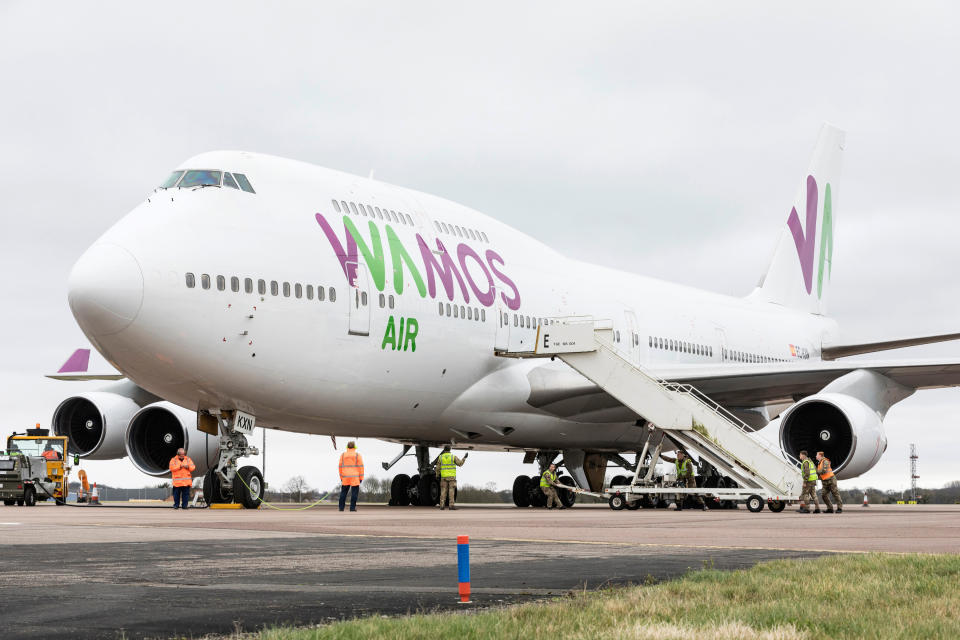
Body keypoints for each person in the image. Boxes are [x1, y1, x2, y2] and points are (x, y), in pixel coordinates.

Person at [435, 445, 467, 510]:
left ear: (444, 449)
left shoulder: (440, 457)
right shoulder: (453, 457)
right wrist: (464, 458)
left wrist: (437, 475)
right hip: (451, 477)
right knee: (451, 491)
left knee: (443, 491)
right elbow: (460, 464)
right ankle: (451, 505)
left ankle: (442, 505)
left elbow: (438, 468)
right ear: (450, 449)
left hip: (443, 477)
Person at [338, 441, 364, 512]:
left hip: (345, 476)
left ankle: (341, 508)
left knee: (343, 492)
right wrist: (361, 478)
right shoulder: (357, 455)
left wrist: (341, 477)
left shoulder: (343, 455)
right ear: (354, 447)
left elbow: (340, 467)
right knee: (354, 493)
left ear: (347, 447)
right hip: (354, 477)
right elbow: (361, 467)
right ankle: (352, 508)